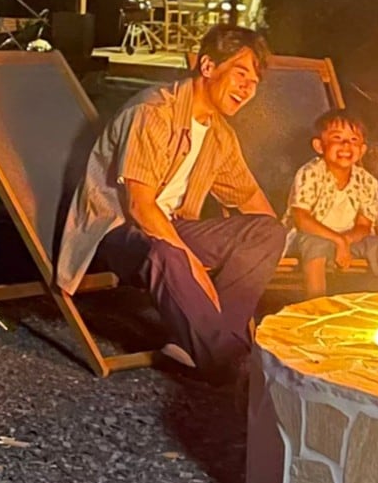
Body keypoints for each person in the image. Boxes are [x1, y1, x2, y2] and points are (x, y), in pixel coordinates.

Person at [55, 23, 287, 382]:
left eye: (254, 82)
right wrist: (193, 266)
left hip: (170, 227)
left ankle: (210, 345)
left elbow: (252, 201)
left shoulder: (219, 134)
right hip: (118, 231)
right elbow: (140, 208)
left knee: (268, 232)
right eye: (240, 74)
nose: (247, 88)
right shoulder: (153, 112)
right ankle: (228, 360)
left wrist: (268, 250)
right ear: (208, 67)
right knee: (166, 252)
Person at [285, 110, 378, 297]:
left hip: (351, 242)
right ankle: (316, 303)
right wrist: (337, 240)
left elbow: (364, 226)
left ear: (362, 150)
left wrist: (345, 241)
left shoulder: (367, 182)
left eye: (354, 140)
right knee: (314, 244)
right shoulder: (310, 173)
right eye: (337, 138)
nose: (346, 145)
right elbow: (302, 219)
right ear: (319, 146)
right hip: (308, 238)